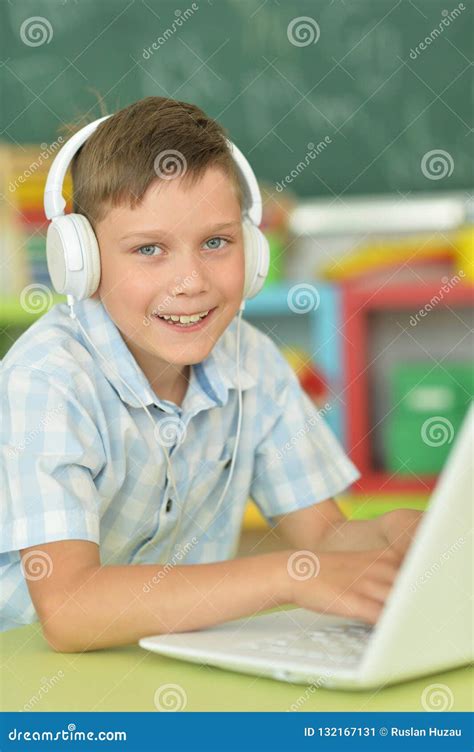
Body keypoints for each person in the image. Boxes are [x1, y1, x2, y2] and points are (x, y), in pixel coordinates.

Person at [0, 96, 423, 650]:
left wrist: (394, 533)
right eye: (150, 248)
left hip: (160, 660)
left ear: (251, 250)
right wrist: (287, 574)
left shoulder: (253, 364)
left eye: (216, 242)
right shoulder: (46, 381)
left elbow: (324, 535)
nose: (191, 281)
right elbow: (71, 607)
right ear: (82, 264)